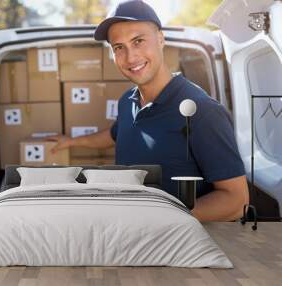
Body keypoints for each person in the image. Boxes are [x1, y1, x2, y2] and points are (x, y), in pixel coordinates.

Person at [48, 0, 249, 222]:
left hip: (174, 247)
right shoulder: (127, 101)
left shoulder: (201, 111)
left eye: (138, 41)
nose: (130, 57)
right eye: (119, 47)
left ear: (161, 39)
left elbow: (236, 201)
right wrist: (71, 142)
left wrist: (158, 219)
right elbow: (115, 135)